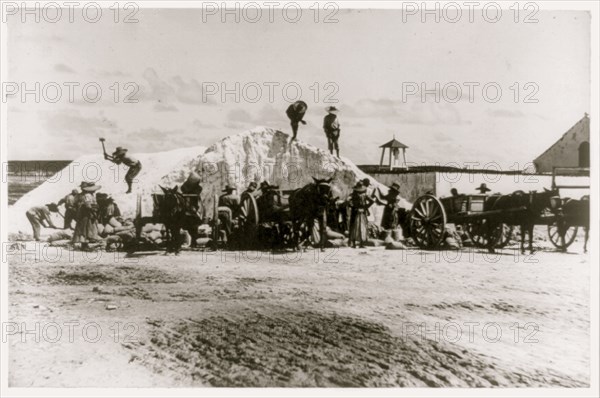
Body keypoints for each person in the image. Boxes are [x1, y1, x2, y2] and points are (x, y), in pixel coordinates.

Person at [72, 181, 102, 248]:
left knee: (88, 228)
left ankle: (86, 243)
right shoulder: (87, 195)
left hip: (87, 213)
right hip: (86, 213)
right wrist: (93, 211)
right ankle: (84, 244)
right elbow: (88, 205)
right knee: (85, 228)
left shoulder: (90, 195)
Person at [348, 181, 374, 248]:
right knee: (362, 227)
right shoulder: (365, 195)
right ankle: (361, 243)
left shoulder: (353, 194)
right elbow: (372, 201)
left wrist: (353, 206)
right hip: (362, 212)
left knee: (355, 227)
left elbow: (348, 201)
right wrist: (366, 207)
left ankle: (354, 243)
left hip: (356, 212)